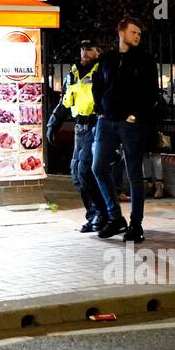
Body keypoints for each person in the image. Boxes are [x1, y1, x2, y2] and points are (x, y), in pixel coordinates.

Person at [91, 16, 160, 243]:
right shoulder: (108, 59)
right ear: (121, 33)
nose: (137, 36)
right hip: (106, 121)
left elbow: (152, 93)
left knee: (134, 175)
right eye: (133, 32)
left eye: (139, 33)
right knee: (98, 167)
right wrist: (101, 109)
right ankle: (115, 217)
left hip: (130, 124)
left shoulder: (145, 60)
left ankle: (136, 224)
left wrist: (136, 115)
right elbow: (98, 85)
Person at [46, 40, 105, 232]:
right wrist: (53, 123)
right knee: (76, 175)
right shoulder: (73, 74)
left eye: (89, 49)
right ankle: (94, 214)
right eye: (82, 49)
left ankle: (101, 214)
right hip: (80, 130)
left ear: (98, 51)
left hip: (95, 127)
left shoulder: (101, 72)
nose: (85, 53)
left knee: (86, 171)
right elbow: (65, 102)